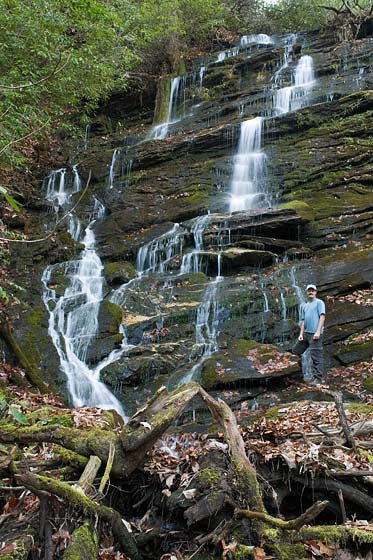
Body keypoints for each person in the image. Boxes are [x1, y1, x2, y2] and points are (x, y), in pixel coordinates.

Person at [292, 284, 325, 383]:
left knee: (316, 357)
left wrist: (318, 331)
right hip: (306, 334)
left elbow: (322, 317)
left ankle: (318, 379)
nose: (311, 292)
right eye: (309, 291)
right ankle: (296, 375)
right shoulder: (304, 306)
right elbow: (302, 321)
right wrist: (301, 334)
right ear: (306, 292)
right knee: (295, 352)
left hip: (315, 335)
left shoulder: (319, 303)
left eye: (312, 290)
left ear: (315, 292)